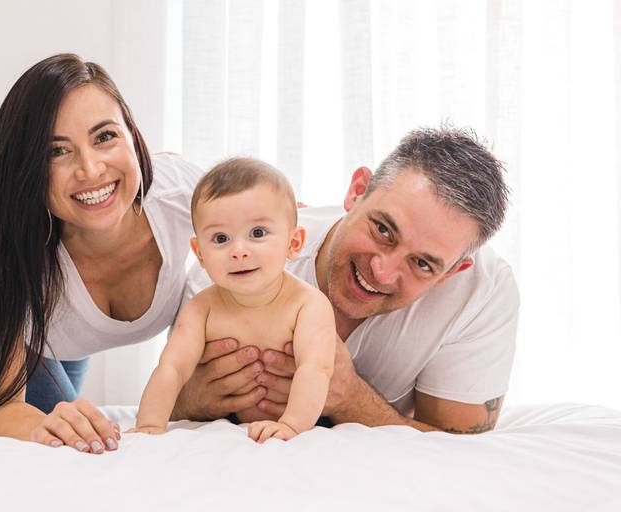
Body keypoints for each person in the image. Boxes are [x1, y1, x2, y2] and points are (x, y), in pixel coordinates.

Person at [0, 54, 205, 454]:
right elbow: (3, 411)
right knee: (62, 420)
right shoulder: (0, 245)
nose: (91, 169)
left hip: (56, 310)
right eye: (56, 152)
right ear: (29, 168)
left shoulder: (183, 195)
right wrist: (25, 418)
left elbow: (292, 229)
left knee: (68, 411)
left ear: (133, 134)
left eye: (105, 136)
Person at [176, 126, 518, 434]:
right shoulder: (234, 264)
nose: (382, 272)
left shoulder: (481, 293)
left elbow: (464, 450)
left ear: (450, 273)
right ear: (357, 191)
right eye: (383, 230)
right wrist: (192, 401)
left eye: (422, 264)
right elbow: (173, 402)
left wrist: (351, 400)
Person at [131, 158, 336, 442]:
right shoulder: (201, 309)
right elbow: (172, 368)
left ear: (294, 243)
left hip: (305, 417)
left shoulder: (307, 305)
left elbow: (316, 368)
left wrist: (291, 425)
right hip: (228, 419)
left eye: (258, 233)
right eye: (220, 238)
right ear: (200, 253)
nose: (238, 251)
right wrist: (149, 426)